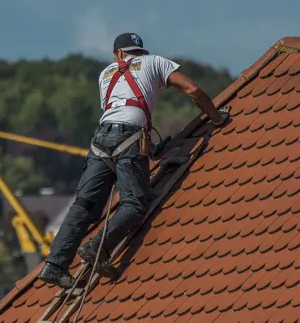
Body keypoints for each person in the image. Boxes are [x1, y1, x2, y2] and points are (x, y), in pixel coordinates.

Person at [37, 32, 230, 289]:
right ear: (138, 52)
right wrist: (216, 118)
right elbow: (193, 90)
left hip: (101, 141)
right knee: (135, 204)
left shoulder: (105, 74)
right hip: (129, 138)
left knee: (83, 206)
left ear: (118, 54)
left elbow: (119, 111)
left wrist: (147, 150)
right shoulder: (155, 62)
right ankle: (98, 247)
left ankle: (54, 265)